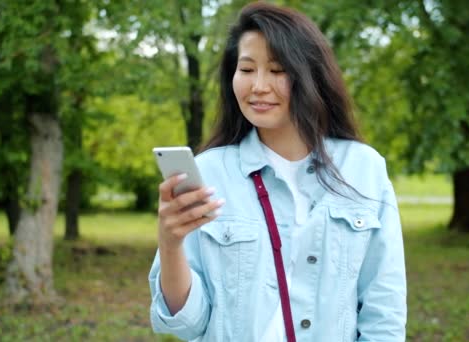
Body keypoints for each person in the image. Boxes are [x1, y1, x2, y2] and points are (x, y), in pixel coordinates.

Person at [149, 2, 406, 341]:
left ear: (309, 74)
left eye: (276, 70)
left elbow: (383, 314)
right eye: (247, 69)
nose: (258, 86)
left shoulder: (363, 168)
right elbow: (187, 324)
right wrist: (170, 245)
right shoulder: (209, 172)